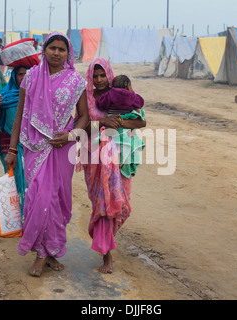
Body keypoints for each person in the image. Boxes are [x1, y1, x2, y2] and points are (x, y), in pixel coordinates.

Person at [4, 32, 89, 277]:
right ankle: (41, 254)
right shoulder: (30, 77)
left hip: (63, 148)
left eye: (61, 49)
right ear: (44, 49)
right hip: (34, 147)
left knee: (56, 200)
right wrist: (12, 149)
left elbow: (83, 116)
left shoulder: (75, 80)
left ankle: (51, 249)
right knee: (37, 199)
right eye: (52, 47)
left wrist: (71, 135)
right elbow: (20, 115)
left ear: (68, 53)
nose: (56, 53)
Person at [77, 57, 146, 274]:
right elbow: (79, 127)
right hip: (94, 159)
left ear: (109, 74)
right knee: (103, 207)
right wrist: (102, 123)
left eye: (102, 75)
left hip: (120, 158)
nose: (99, 80)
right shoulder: (85, 97)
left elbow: (140, 121)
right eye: (95, 76)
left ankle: (104, 239)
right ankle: (106, 255)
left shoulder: (119, 96)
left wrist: (118, 122)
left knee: (121, 205)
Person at [0, 66, 30, 218]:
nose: (24, 77)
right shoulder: (5, 96)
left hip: (28, 146)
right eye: (20, 74)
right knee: (13, 180)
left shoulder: (34, 95)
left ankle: (24, 214)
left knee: (28, 181)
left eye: (27, 74)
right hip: (7, 145)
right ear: (14, 77)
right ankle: (15, 216)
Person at [95, 74, 146, 179]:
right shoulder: (132, 96)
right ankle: (126, 166)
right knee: (127, 147)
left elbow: (100, 103)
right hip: (126, 127)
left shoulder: (109, 95)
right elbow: (140, 103)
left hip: (112, 126)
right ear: (127, 85)